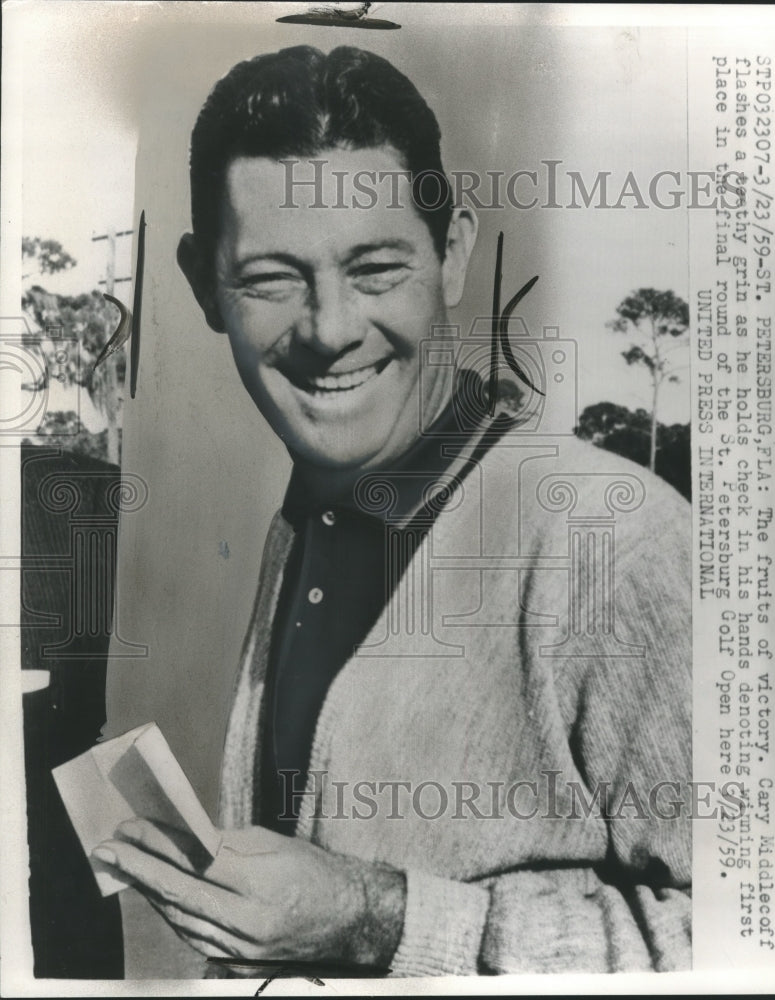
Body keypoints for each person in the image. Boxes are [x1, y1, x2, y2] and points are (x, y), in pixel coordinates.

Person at [91, 44, 692, 976]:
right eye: (270, 278)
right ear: (202, 284)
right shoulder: (308, 523)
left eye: (375, 268)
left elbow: (759, 943)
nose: (330, 330)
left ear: (452, 252)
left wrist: (377, 918)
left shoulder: (615, 542)